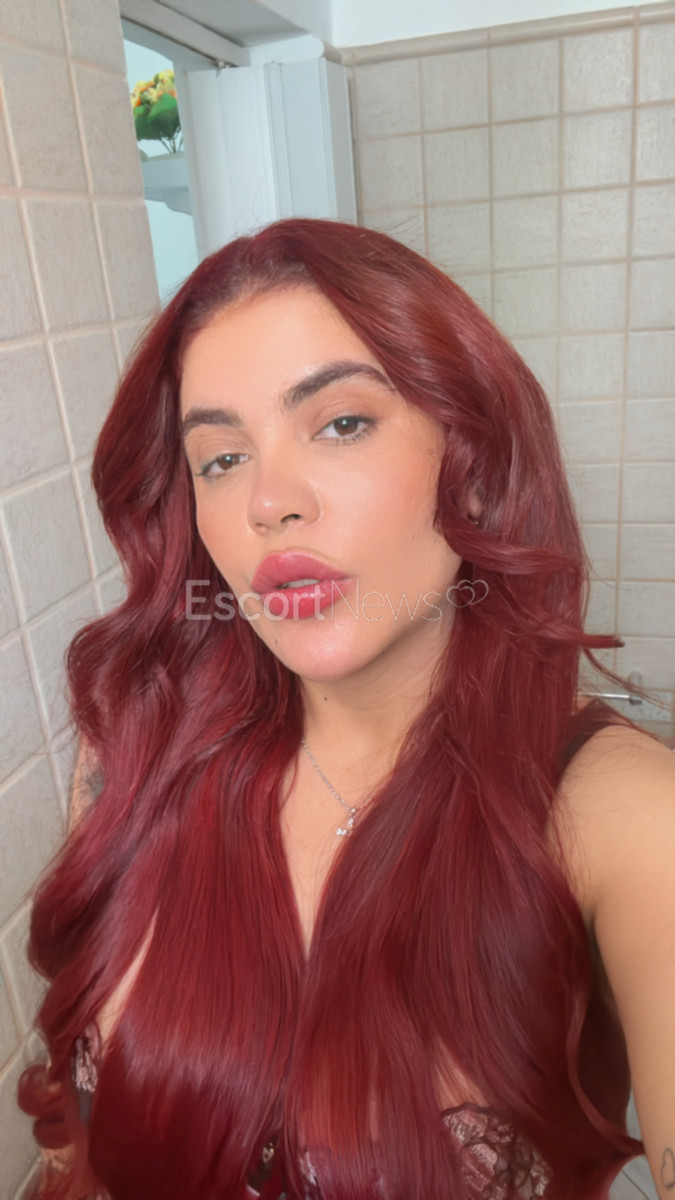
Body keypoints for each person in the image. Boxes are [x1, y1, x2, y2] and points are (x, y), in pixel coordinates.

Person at [18, 219, 675, 1200]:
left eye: (341, 424)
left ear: (475, 462)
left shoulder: (620, 813)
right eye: (220, 459)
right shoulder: (138, 750)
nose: (269, 501)